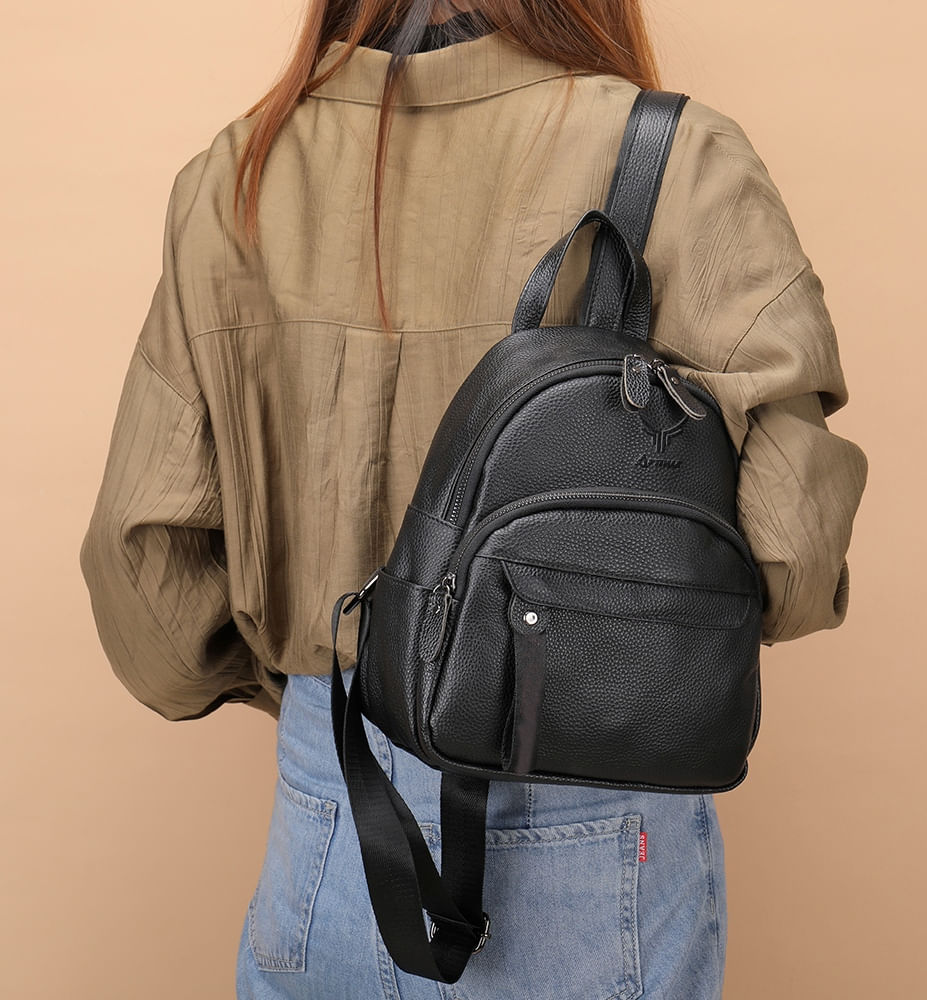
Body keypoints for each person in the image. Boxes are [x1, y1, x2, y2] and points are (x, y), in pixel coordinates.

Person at [78, 2, 869, 998]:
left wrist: (339, 682)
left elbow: (147, 572)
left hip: (333, 796)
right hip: (591, 810)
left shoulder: (238, 175)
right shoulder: (678, 160)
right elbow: (792, 555)